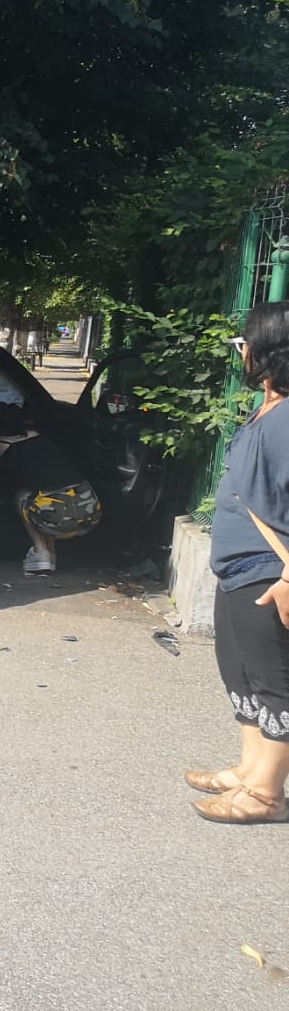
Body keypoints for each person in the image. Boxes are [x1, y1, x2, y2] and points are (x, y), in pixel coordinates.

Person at [188, 302, 289, 824]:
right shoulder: (270, 406)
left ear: (268, 350)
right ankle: (249, 770)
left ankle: (266, 795)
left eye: (245, 343)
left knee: (274, 682)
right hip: (239, 567)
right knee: (241, 674)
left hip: (269, 570)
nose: (242, 352)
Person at [0, 402, 101, 576]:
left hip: (59, 517)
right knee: (45, 499)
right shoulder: (42, 437)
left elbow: (6, 484)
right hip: (90, 512)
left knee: (23, 495)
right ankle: (50, 555)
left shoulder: (4, 445)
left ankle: (41, 551)